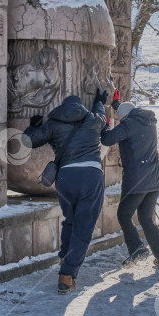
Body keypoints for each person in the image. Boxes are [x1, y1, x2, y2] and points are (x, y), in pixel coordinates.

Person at [24, 89, 109, 294]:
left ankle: (65, 257)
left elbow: (29, 142)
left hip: (65, 177)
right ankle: (67, 275)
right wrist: (99, 102)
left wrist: (32, 126)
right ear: (80, 107)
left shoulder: (53, 123)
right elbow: (103, 118)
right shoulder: (92, 119)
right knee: (84, 228)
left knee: (70, 220)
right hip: (90, 176)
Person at [101, 92, 159, 270]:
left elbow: (107, 138)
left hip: (137, 182)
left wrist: (105, 122)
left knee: (124, 214)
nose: (119, 121)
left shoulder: (128, 124)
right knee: (146, 219)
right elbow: (128, 116)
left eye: (120, 118)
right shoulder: (147, 121)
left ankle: (137, 248)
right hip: (153, 181)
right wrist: (118, 107)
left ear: (124, 118)